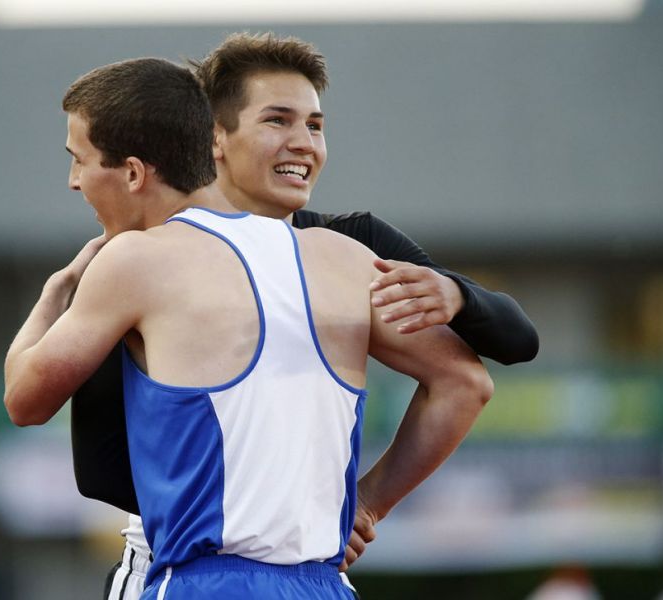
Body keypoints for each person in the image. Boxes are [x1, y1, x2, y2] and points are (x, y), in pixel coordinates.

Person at [62, 33, 538, 600]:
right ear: (213, 137)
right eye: (278, 121)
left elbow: (508, 348)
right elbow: (98, 468)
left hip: (307, 562)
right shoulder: (147, 254)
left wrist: (366, 502)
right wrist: (241, 510)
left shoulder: (349, 245)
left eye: (315, 125)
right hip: (177, 560)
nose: (304, 143)